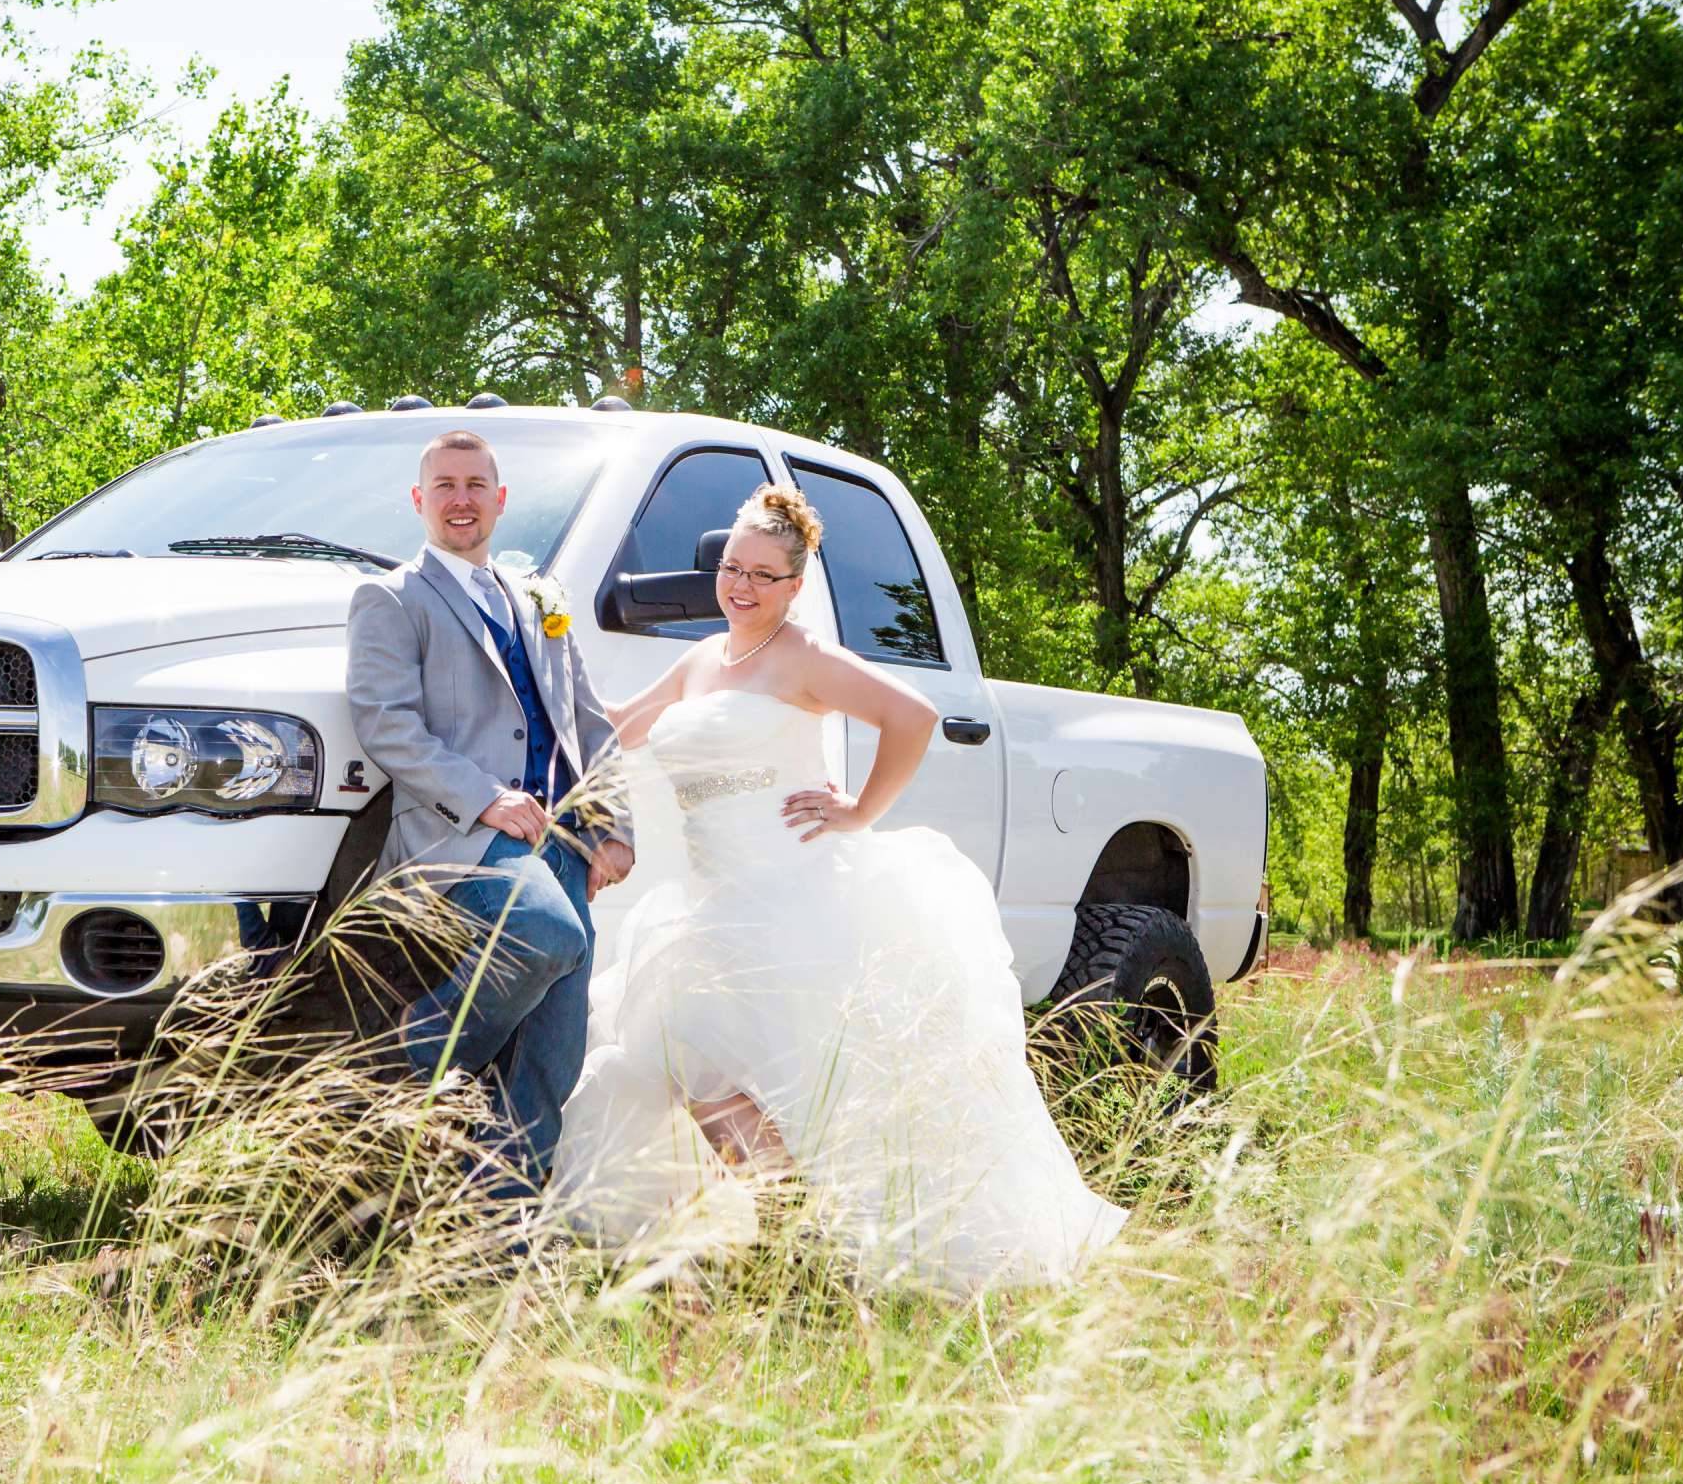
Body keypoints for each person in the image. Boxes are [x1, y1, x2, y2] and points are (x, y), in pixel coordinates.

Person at [555, 483, 1126, 1290]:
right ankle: (795, 1237)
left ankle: (804, 1249)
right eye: (731, 568)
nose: (741, 586)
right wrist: (547, 651)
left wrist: (859, 810)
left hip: (795, 896)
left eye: (762, 574)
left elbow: (914, 715)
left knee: (791, 1076)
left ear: (794, 585)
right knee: (694, 1065)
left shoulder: (806, 658)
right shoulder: (701, 660)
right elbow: (616, 725)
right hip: (711, 904)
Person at [345, 429, 635, 1201]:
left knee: (554, 1047)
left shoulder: (536, 599)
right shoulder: (392, 597)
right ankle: (400, 1067)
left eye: (476, 485)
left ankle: (500, 1229)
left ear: (501, 500)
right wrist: (487, 798)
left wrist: (611, 828)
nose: (461, 499)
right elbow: (387, 725)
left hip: (561, 843)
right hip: (460, 836)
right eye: (445, 485)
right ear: (419, 500)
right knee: (548, 934)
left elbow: (586, 721)